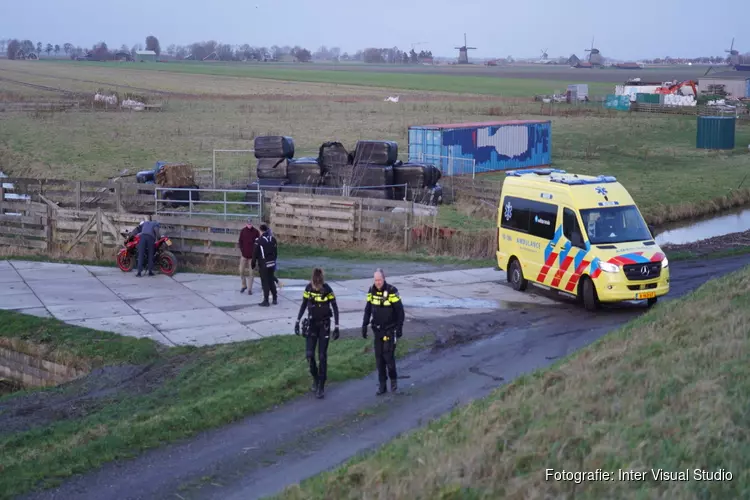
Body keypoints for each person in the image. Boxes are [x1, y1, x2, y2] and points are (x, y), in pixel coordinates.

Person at [295, 268, 340, 399]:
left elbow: (335, 308)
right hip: (312, 325)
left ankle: (321, 385)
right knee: (309, 355)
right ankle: (315, 378)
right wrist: (297, 321)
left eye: (317, 285)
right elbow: (303, 305)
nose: (316, 287)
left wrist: (337, 326)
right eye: (314, 285)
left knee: (322, 356)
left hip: (324, 326)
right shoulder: (308, 289)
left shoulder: (327, 289)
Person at [362, 268, 405, 395]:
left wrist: (399, 328)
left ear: (384, 279)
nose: (378, 282)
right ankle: (382, 385)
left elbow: (400, 312)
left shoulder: (392, 291)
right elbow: (368, 309)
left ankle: (393, 380)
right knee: (379, 359)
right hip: (377, 330)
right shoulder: (371, 290)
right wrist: (364, 325)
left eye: (380, 280)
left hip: (390, 330)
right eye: (376, 280)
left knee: (388, 357)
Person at [251, 223, 278, 307]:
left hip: (264, 264)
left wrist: (253, 263)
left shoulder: (259, 240)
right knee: (271, 280)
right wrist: (273, 261)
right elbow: (276, 252)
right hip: (272, 263)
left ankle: (266, 301)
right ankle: (274, 298)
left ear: (260, 230)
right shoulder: (273, 239)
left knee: (265, 282)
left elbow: (255, 253)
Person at [238, 218, 260, 294]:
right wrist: (242, 250)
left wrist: (255, 254)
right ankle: (244, 285)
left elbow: (258, 243)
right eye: (248, 223)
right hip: (244, 255)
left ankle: (249, 289)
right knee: (241, 271)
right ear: (246, 224)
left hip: (252, 257)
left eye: (250, 223)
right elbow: (240, 241)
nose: (249, 225)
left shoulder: (256, 232)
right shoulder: (243, 231)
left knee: (251, 273)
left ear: (252, 224)